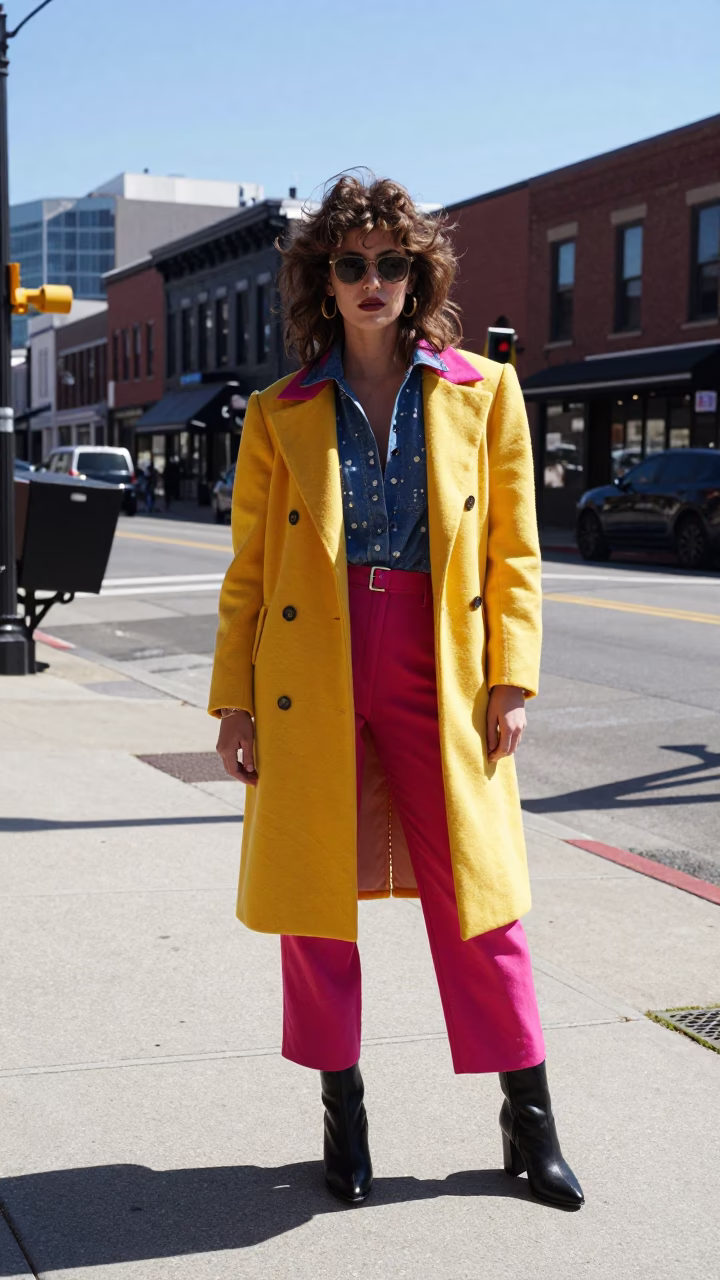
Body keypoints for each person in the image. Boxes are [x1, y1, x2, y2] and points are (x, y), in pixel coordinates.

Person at [209, 176, 584, 1210]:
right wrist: (232, 703)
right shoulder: (277, 412)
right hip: (310, 666)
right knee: (315, 899)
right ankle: (345, 1112)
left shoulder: (483, 389)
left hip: (441, 657)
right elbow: (247, 572)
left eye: (392, 262)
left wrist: (513, 676)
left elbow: (517, 551)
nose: (373, 281)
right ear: (322, 281)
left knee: (480, 895)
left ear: (419, 276)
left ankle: (530, 1111)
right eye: (352, 263)